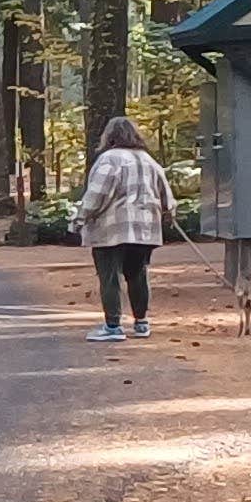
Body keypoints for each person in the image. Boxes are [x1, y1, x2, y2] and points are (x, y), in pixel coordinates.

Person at [75, 115, 172, 339]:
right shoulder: (149, 160)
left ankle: (113, 326)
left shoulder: (109, 159)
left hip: (112, 228)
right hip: (145, 229)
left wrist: (80, 218)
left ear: (109, 136)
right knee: (138, 274)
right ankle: (141, 323)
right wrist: (167, 213)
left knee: (110, 275)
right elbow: (166, 195)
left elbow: (96, 195)